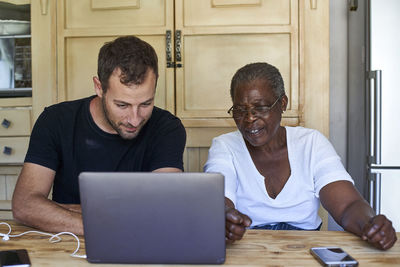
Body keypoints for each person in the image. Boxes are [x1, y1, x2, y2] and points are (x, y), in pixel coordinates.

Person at [204, 62, 397, 250]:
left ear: (282, 103)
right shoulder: (225, 146)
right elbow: (218, 200)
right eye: (239, 109)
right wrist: (224, 217)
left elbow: (348, 205)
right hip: (246, 248)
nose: (249, 118)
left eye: (260, 107)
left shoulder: (311, 143)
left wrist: (370, 225)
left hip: (305, 249)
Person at [12, 36, 186, 235]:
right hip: (71, 245)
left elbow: (166, 207)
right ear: (99, 87)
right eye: (122, 105)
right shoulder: (55, 120)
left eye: (146, 104)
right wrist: (106, 225)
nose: (135, 119)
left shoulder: (167, 128)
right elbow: (24, 205)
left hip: (137, 241)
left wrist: (64, 209)